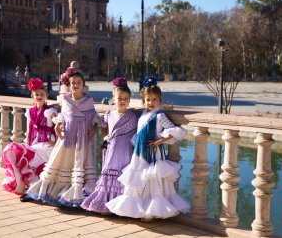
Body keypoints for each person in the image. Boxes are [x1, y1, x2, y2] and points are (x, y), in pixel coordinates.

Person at [106, 75, 190, 220]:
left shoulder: (159, 115)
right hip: (139, 153)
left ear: (160, 101)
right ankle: (139, 209)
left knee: (152, 181)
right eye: (147, 100)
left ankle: (152, 212)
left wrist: (160, 141)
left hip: (153, 154)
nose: (150, 103)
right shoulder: (143, 114)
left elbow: (175, 131)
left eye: (154, 100)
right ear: (143, 101)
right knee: (139, 180)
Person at [26, 67, 98, 207]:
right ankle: (47, 192)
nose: (76, 85)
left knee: (77, 164)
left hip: (82, 140)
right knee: (58, 163)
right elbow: (61, 120)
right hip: (67, 138)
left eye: (78, 82)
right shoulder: (65, 100)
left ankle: (76, 195)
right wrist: (59, 133)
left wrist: (93, 131)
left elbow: (93, 119)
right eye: (73, 83)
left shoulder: (88, 101)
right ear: (69, 85)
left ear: (83, 85)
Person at [81, 77, 137, 214]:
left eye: (125, 98)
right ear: (114, 99)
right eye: (119, 98)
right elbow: (104, 128)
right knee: (108, 174)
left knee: (121, 174)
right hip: (111, 149)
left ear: (129, 100)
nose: (122, 101)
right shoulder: (109, 114)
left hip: (124, 151)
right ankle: (104, 204)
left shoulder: (132, 117)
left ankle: (121, 206)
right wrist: (105, 135)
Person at [2, 78, 57, 196]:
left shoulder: (49, 110)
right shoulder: (30, 112)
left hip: (47, 144)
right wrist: (27, 146)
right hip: (35, 144)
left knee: (32, 161)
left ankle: (31, 186)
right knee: (13, 151)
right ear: (33, 96)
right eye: (37, 94)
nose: (39, 96)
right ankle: (20, 182)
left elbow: (57, 123)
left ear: (46, 96)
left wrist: (56, 142)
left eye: (42, 94)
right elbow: (29, 131)